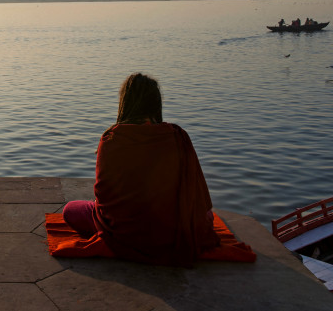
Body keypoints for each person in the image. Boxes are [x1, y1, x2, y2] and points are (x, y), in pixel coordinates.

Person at [62, 73, 219, 267]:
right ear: (156, 103)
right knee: (208, 217)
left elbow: (103, 197)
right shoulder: (178, 136)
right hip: (172, 233)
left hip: (125, 234)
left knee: (70, 210)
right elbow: (199, 196)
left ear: (125, 103)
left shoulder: (111, 139)